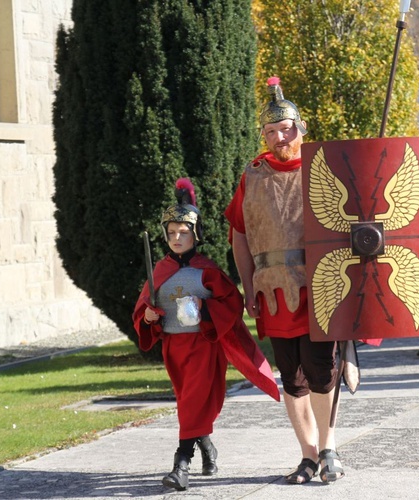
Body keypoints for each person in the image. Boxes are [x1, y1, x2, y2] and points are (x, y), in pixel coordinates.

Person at [224, 77, 344, 484]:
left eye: (287, 128)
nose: (280, 136)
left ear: (301, 127)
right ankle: (307, 456)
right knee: (291, 377)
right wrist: (246, 285)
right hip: (272, 290)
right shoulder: (252, 176)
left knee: (321, 370)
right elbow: (240, 234)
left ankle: (329, 448)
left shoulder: (324, 167)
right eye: (272, 131)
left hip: (320, 286)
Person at [133, 178, 280, 491]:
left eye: (183, 233)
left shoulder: (206, 270)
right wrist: (148, 317)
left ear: (195, 234)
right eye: (171, 233)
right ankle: (207, 448)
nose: (176, 238)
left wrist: (205, 306)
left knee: (194, 401)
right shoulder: (158, 271)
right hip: (173, 347)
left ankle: (181, 463)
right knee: (189, 402)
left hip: (202, 344)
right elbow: (144, 309)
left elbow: (232, 301)